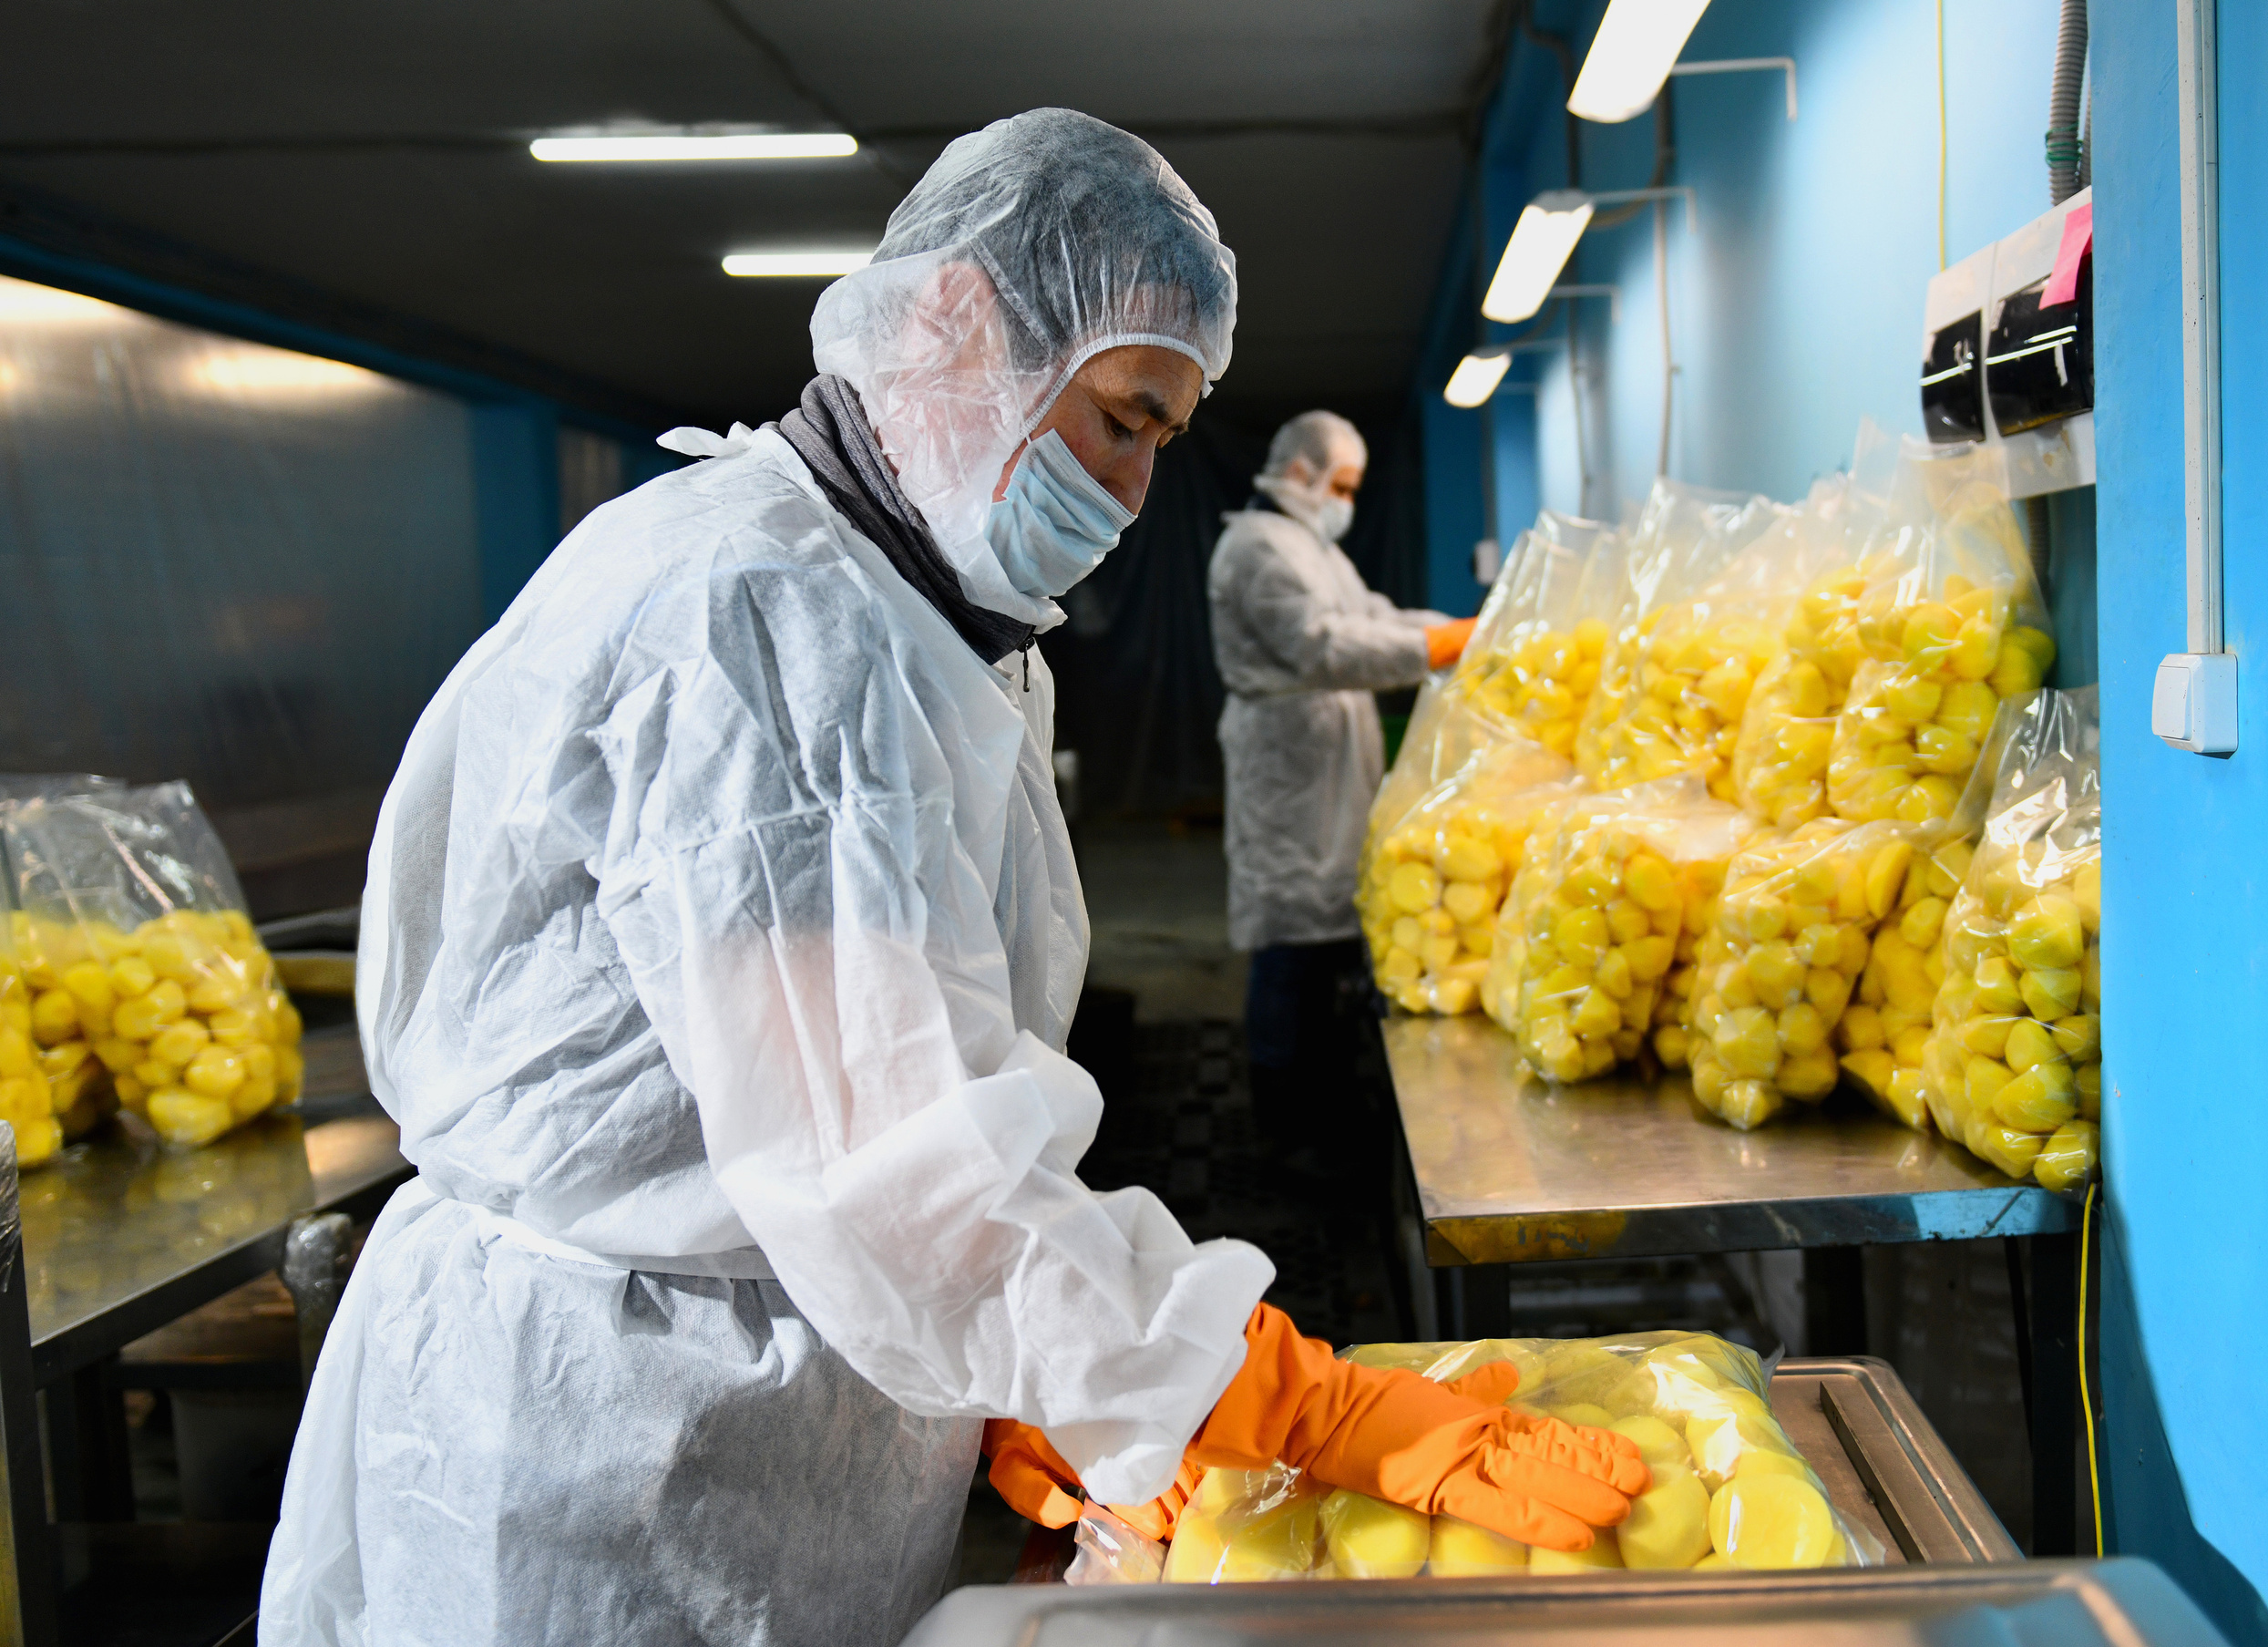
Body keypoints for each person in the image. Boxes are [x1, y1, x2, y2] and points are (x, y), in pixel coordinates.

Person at [261, 110, 1639, 1647]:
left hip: (787, 1384)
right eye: (1121, 417)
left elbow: (897, 1099)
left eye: (1160, 443)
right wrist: (1272, 1395)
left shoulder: (928, 618)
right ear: (963, 324)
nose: (1126, 491)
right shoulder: (767, 618)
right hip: (617, 1452)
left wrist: (1017, 1371)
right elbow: (896, 1163)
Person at [1208, 413, 1474, 1159]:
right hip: (1287, 761)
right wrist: (1442, 645)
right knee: (1289, 938)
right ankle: (1281, 1112)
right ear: (1301, 474)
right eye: (1343, 486)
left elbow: (1371, 617)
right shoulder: (1256, 547)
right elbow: (1321, 644)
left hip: (1324, 753)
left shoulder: (1309, 546)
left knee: (1322, 935)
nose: (1347, 501)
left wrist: (1457, 629)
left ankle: (1319, 1089)